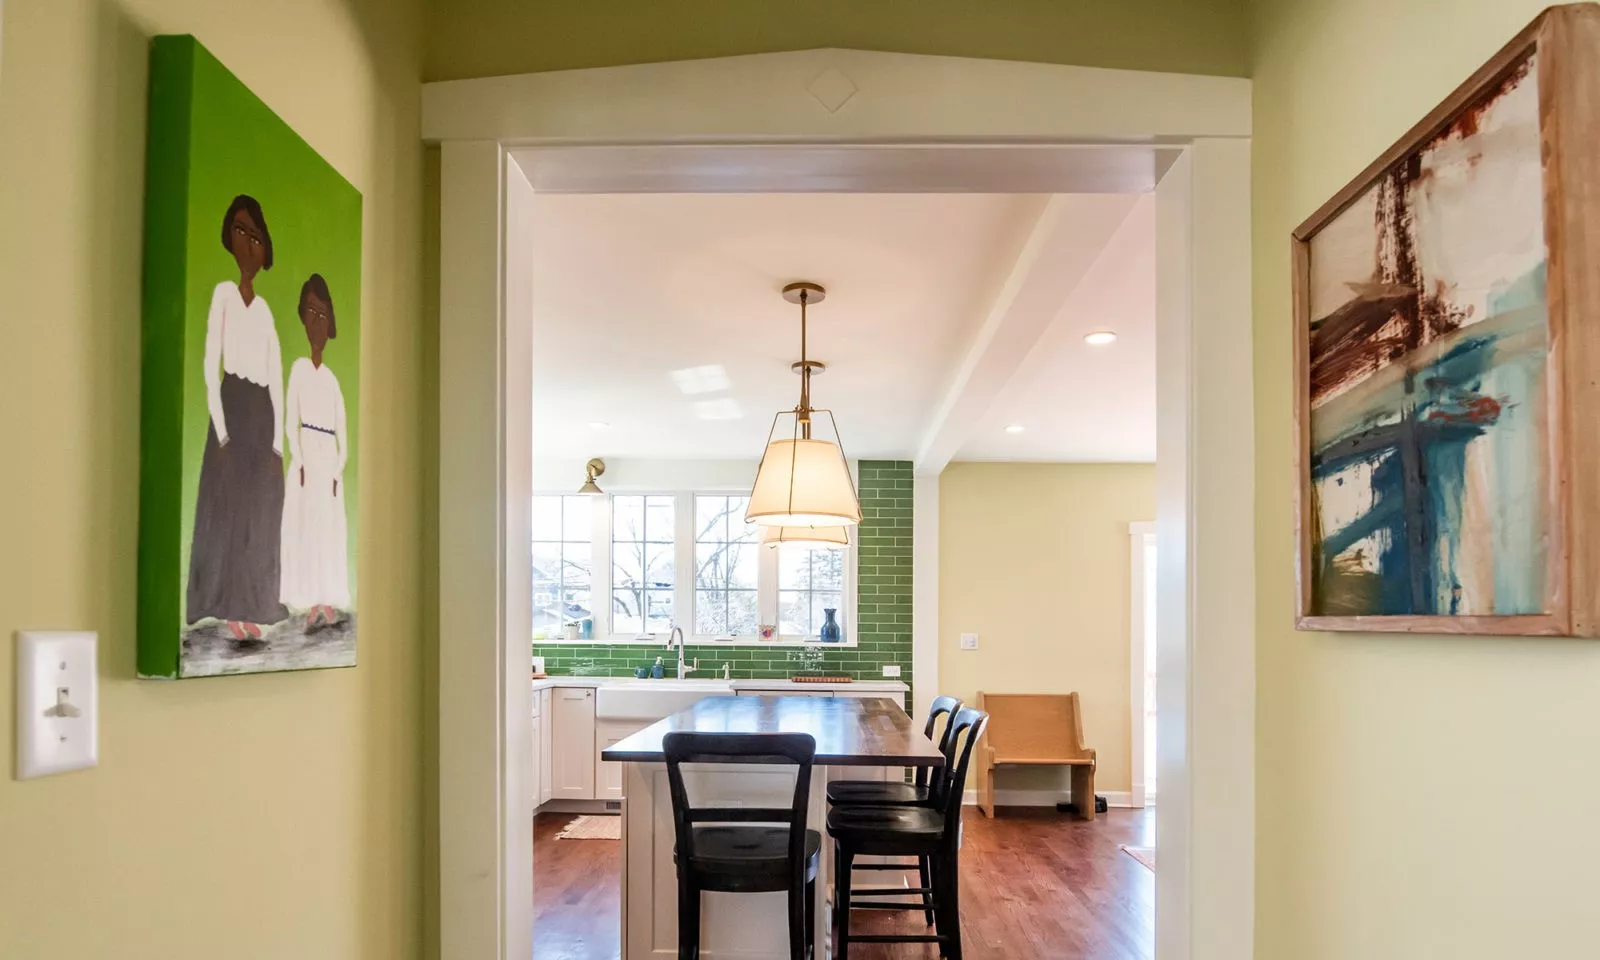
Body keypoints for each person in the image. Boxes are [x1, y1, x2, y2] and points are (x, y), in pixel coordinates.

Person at [187, 195, 287, 641]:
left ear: (264, 249)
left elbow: (276, 377)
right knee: (227, 509)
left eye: (256, 235)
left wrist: (278, 445)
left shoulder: (264, 311)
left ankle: (254, 603)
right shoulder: (223, 295)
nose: (248, 242)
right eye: (241, 231)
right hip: (232, 405)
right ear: (230, 238)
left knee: (259, 511)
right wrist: (222, 431)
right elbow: (211, 365)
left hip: (261, 413)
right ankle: (227, 606)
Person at [280, 274, 350, 624]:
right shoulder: (298, 370)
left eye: (322, 314)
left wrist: (338, 467)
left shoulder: (333, 380)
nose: (316, 321)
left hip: (328, 460)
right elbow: (291, 418)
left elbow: (343, 429)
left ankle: (327, 598)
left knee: (328, 530)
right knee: (306, 527)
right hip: (307, 456)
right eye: (310, 312)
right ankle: (308, 599)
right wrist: (301, 459)